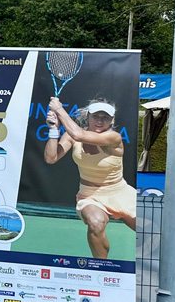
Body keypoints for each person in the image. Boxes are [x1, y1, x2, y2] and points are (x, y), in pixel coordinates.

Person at [45, 98, 136, 259]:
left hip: (120, 192)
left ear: (112, 120)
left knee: (153, 231)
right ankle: (100, 267)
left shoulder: (113, 137)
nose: (100, 121)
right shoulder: (71, 136)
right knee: (95, 223)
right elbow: (51, 158)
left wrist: (58, 109)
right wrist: (53, 129)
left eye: (105, 117)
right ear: (88, 116)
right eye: (96, 116)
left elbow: (78, 134)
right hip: (90, 196)